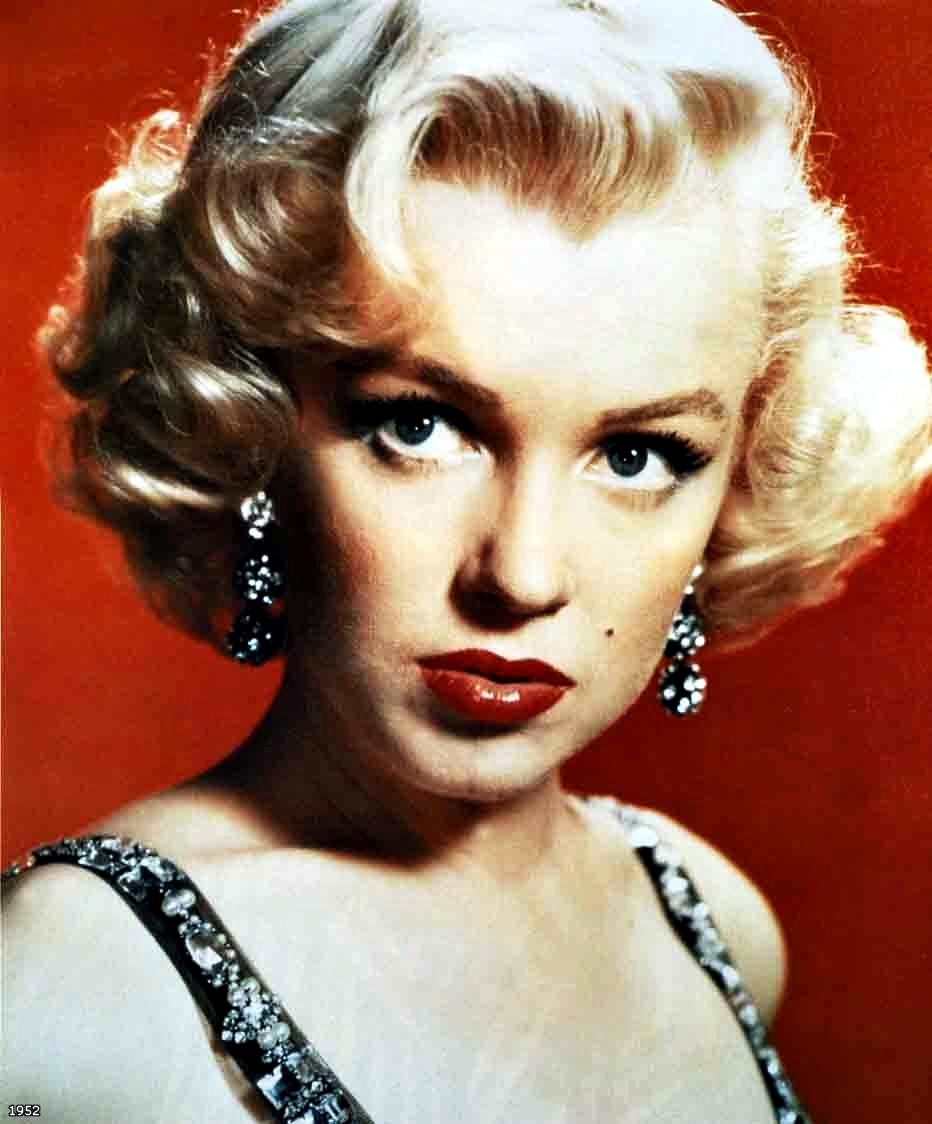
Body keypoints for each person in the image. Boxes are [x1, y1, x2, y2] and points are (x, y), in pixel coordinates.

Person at [4, 0, 930, 1121]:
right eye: (419, 426)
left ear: (739, 472)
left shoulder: (710, 920)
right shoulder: (64, 995)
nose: (523, 575)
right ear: (248, 430)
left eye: (637, 454)